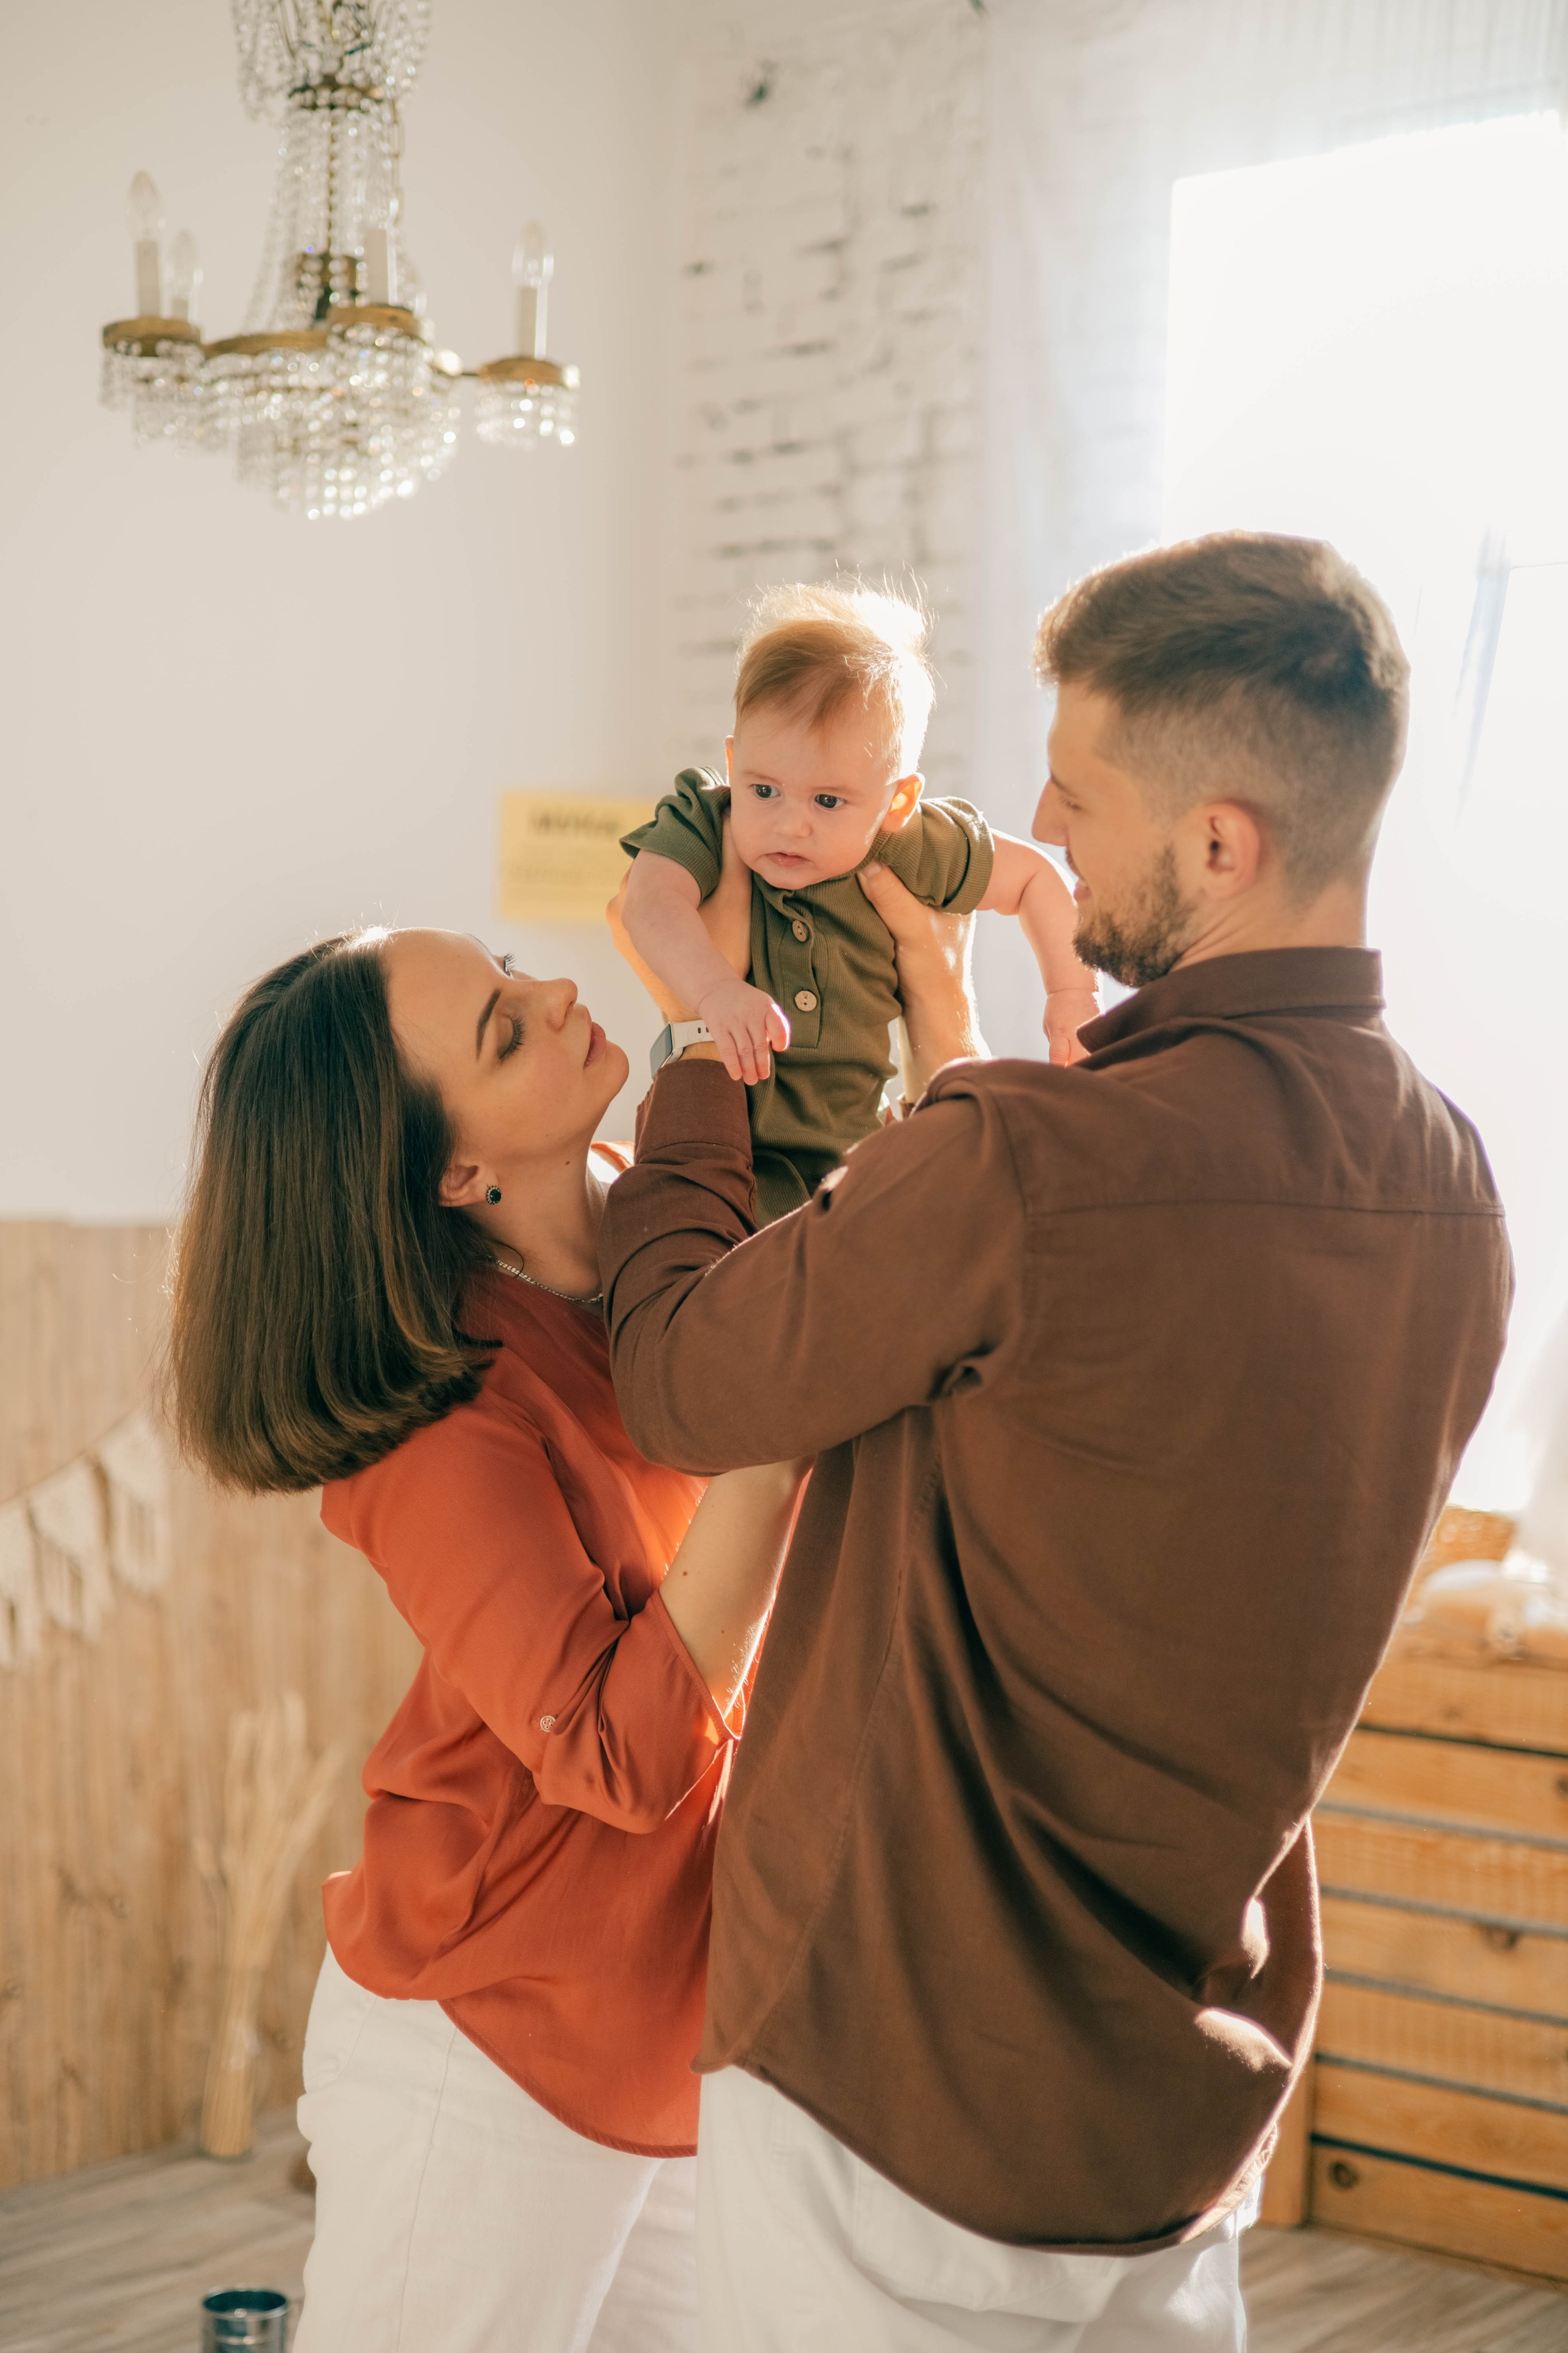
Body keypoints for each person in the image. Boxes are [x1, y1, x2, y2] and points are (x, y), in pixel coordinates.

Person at [598, 532, 1513, 2352]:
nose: (1039, 823)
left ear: (1220, 842)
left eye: (1077, 789)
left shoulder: (1029, 1157)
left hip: (885, 2080)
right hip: (1173, 2119)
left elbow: (690, 1381)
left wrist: (700, 1054)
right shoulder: (1456, 1191)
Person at [164, 887, 980, 2353]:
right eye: (499, 1024)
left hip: (682, 2035)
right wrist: (775, 1425)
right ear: (454, 1166)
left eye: (515, 971)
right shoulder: (445, 1415)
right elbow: (618, 1757)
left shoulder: (666, 1219)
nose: (552, 995)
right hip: (485, 2048)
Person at [619, 582, 1098, 1222]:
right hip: (724, 1150)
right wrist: (714, 992)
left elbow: (1037, 879)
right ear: (733, 765)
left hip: (856, 1153)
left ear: (894, 802)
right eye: (764, 789)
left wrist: (1072, 993)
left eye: (826, 801)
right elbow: (648, 900)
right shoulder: (710, 819)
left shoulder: (908, 843)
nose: (790, 824)